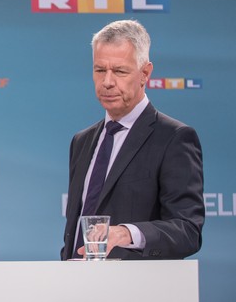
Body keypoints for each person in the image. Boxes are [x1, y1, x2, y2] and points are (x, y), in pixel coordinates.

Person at [61, 20, 204, 260]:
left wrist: (128, 232)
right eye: (99, 70)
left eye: (119, 71)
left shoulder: (174, 138)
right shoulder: (81, 141)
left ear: (145, 73)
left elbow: (187, 231)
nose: (107, 81)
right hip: (77, 285)